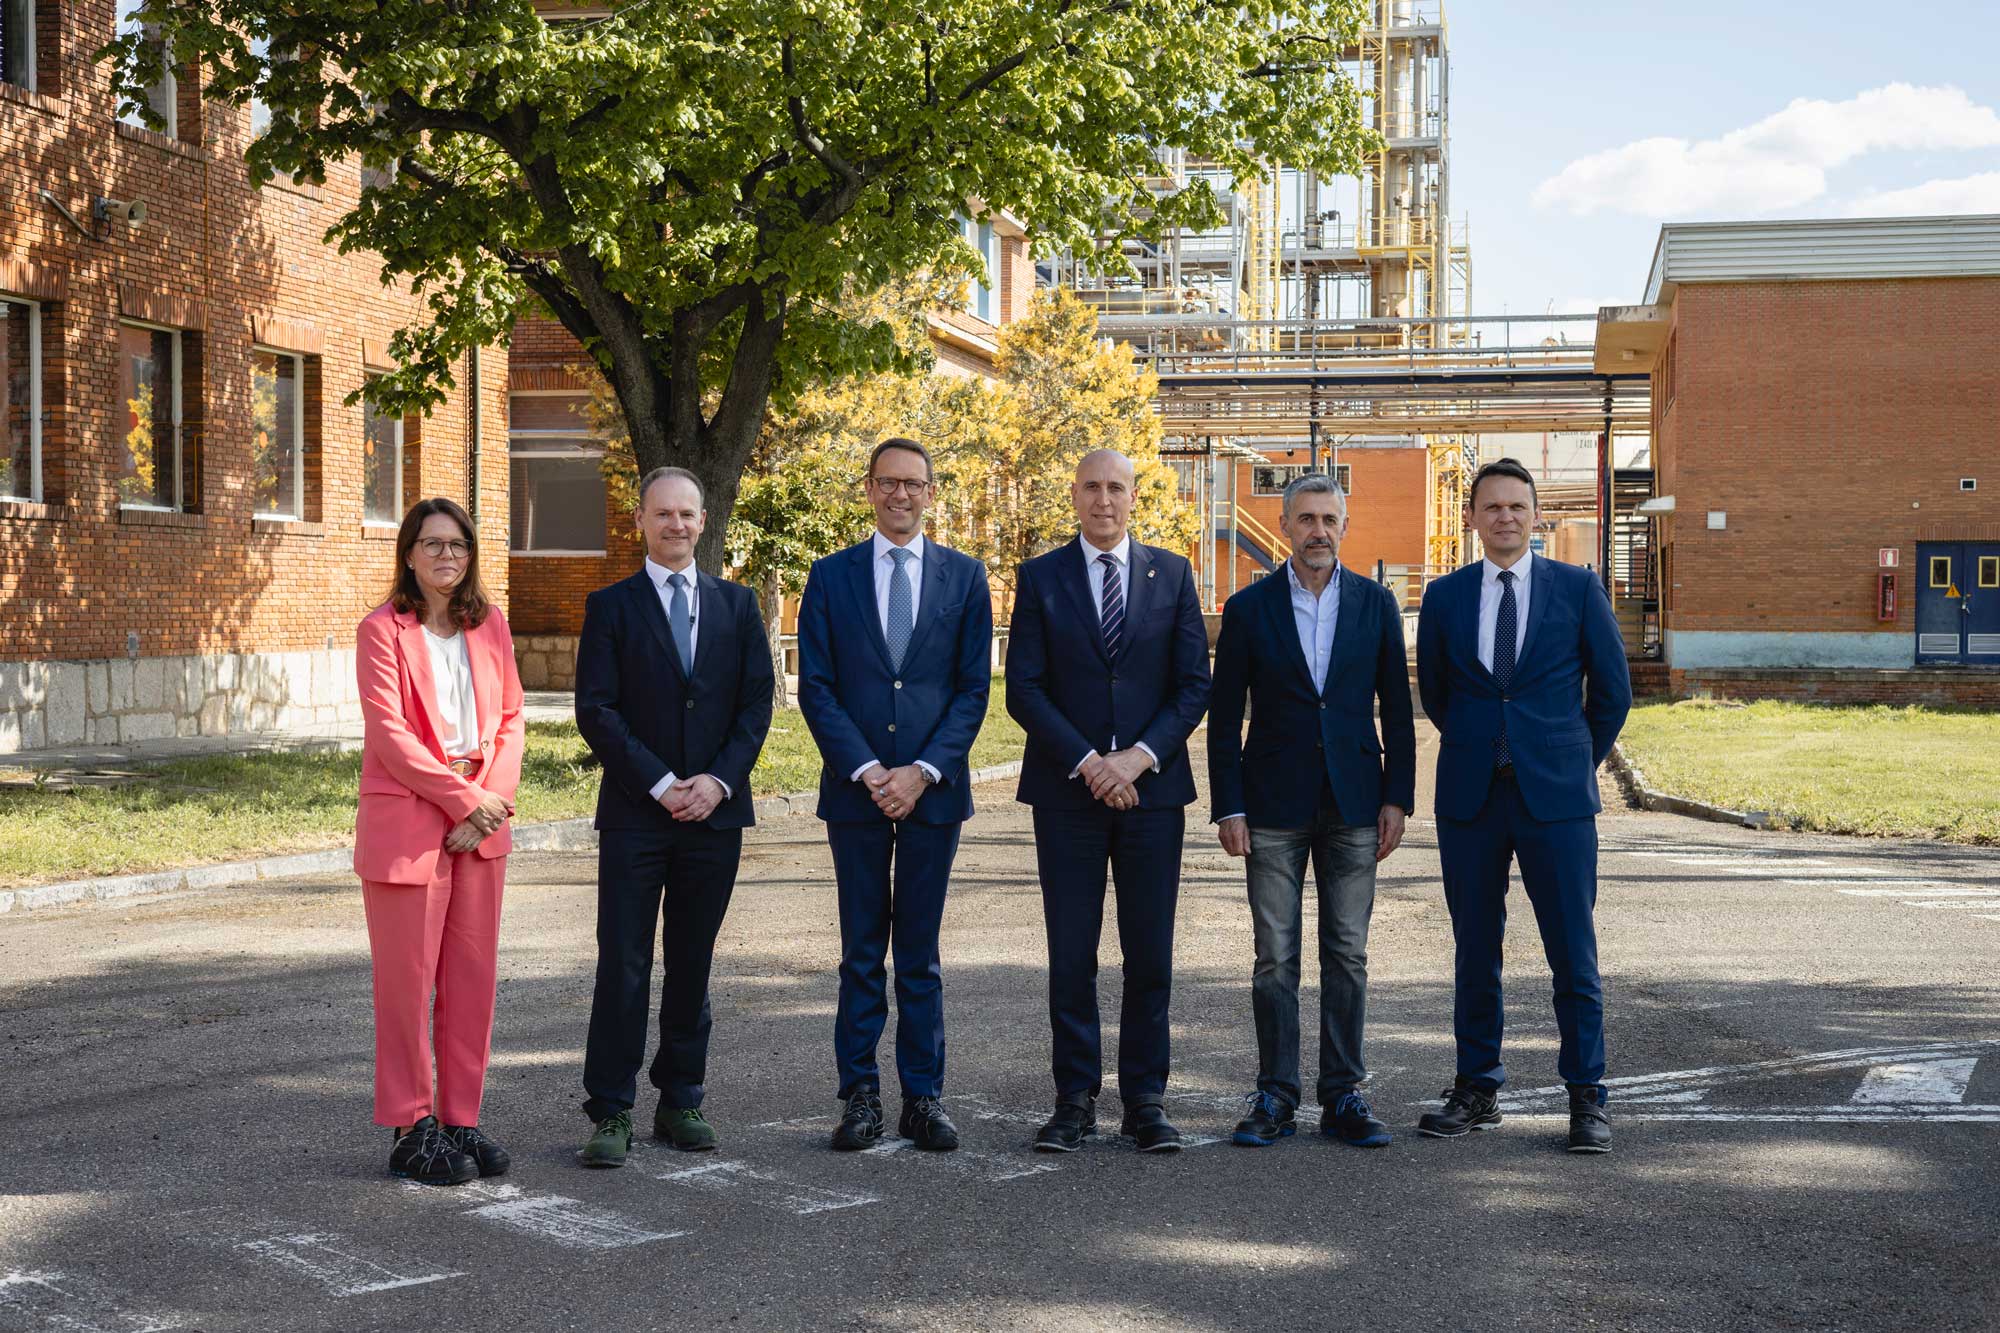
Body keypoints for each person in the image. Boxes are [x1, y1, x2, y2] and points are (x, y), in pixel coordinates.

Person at [1414, 457, 1632, 1153]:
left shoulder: (1577, 587)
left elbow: (1613, 693)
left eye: (1517, 506)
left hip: (1557, 800)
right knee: (1476, 948)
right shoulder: (1445, 596)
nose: (1504, 516)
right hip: (1472, 797)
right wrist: (1486, 744)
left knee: (1573, 951)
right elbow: (1440, 695)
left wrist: (1570, 757)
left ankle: (1587, 1096)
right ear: (1473, 518)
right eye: (1491, 506)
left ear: (1536, 516)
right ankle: (1477, 1085)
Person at [1005, 448, 1211, 1153]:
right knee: (1071, 952)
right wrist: (1093, 762)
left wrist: (1136, 758)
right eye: (1091, 486)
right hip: (1068, 794)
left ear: (1134, 496)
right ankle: (1073, 1098)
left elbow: (1193, 684)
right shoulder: (1039, 578)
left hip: (1153, 794)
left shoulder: (1174, 573)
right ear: (1075, 494)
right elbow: (1024, 687)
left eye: (1115, 488)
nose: (1103, 499)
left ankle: (1145, 1100)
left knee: (1149, 951)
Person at [1207, 472, 1416, 1150]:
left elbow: (1399, 712)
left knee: (1348, 954)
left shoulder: (1377, 605)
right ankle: (1275, 1092)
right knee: (1275, 957)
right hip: (1270, 804)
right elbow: (1221, 720)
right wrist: (1228, 804)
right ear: (1286, 525)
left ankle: (1343, 1093)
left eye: (1329, 518)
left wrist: (1398, 796)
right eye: (1306, 519)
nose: (1318, 530)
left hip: (1356, 802)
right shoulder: (1247, 609)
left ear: (1344, 526)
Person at [573, 466, 775, 1167]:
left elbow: (756, 705)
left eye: (688, 513)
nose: (678, 525)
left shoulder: (738, 605)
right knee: (623, 963)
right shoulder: (611, 606)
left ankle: (681, 1097)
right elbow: (595, 710)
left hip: (714, 817)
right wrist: (661, 783)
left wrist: (717, 782)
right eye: (664, 514)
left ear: (703, 518)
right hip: (637, 813)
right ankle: (612, 1108)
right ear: (641, 520)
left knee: (692, 960)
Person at [797, 438, 994, 1152]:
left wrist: (922, 771)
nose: (901, 494)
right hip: (857, 794)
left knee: (918, 950)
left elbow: (975, 690)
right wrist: (867, 768)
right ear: (871, 489)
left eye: (913, 483)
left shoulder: (966, 578)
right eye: (888, 482)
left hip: (933, 794)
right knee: (860, 949)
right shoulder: (830, 576)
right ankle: (859, 1095)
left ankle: (923, 1095)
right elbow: (815, 686)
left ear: (930, 492)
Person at [354, 496, 524, 1186]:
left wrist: (487, 807)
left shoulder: (490, 627)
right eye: (432, 544)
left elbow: (512, 718)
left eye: (457, 545)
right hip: (410, 822)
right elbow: (390, 737)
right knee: (407, 984)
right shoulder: (381, 631)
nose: (446, 556)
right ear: (409, 553)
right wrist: (467, 801)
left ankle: (459, 1117)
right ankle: (409, 1126)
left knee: (471, 981)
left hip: (479, 823)